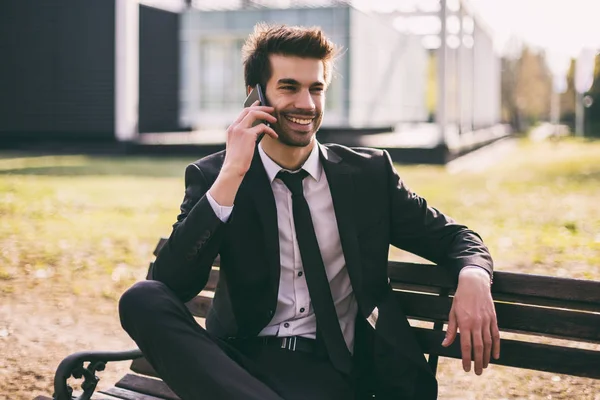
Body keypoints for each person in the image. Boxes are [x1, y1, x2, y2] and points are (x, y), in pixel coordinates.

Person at [119, 23, 500, 400]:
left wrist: (473, 275)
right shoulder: (216, 177)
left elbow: (454, 237)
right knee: (140, 299)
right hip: (239, 362)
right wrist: (232, 173)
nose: (306, 104)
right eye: (289, 87)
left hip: (330, 368)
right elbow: (170, 283)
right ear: (254, 96)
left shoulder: (367, 176)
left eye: (316, 89)